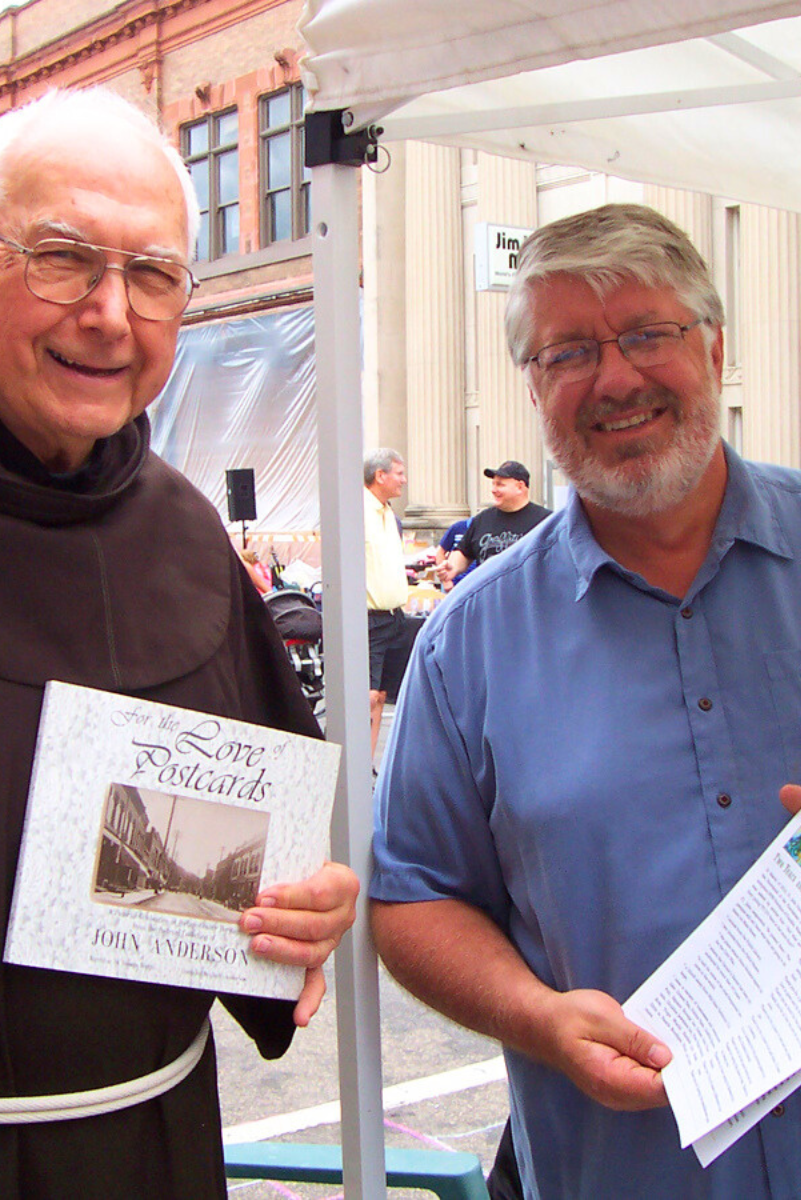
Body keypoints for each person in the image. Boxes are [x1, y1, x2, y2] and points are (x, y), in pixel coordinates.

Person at [0, 87, 357, 1199]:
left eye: (152, 275)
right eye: (62, 258)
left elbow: (263, 836)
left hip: (159, 1148)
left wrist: (303, 906)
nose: (110, 313)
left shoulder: (182, 529)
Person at [370, 202, 801, 1199]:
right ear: (534, 386)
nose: (615, 379)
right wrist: (536, 1017)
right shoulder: (467, 645)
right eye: (569, 353)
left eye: (648, 333)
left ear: (716, 348)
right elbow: (412, 893)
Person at [364, 448, 416, 758]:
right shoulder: (356, 512)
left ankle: (367, 764)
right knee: (368, 696)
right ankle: (355, 765)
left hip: (396, 617)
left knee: (382, 696)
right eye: (399, 473)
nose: (404, 480)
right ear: (380, 475)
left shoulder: (391, 517)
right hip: (369, 617)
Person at [437, 461, 549, 586]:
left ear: (520, 487)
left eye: (500, 485)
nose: (493, 490)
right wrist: (451, 568)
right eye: (493, 484)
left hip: (528, 596)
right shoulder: (482, 519)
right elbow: (464, 552)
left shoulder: (546, 521)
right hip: (488, 596)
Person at [434, 515, 471, 590]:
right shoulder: (458, 527)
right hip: (454, 584)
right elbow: (440, 552)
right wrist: (446, 581)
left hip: (476, 583)